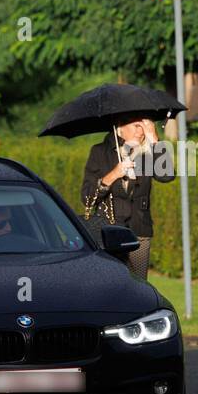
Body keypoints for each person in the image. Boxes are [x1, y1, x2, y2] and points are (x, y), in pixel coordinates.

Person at [81, 116, 175, 280]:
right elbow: (87, 198)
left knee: (138, 287)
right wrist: (112, 175)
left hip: (140, 232)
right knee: (112, 284)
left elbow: (167, 176)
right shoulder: (99, 152)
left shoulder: (146, 153)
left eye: (145, 126)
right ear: (120, 126)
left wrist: (154, 139)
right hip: (109, 233)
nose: (141, 131)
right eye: (137, 126)